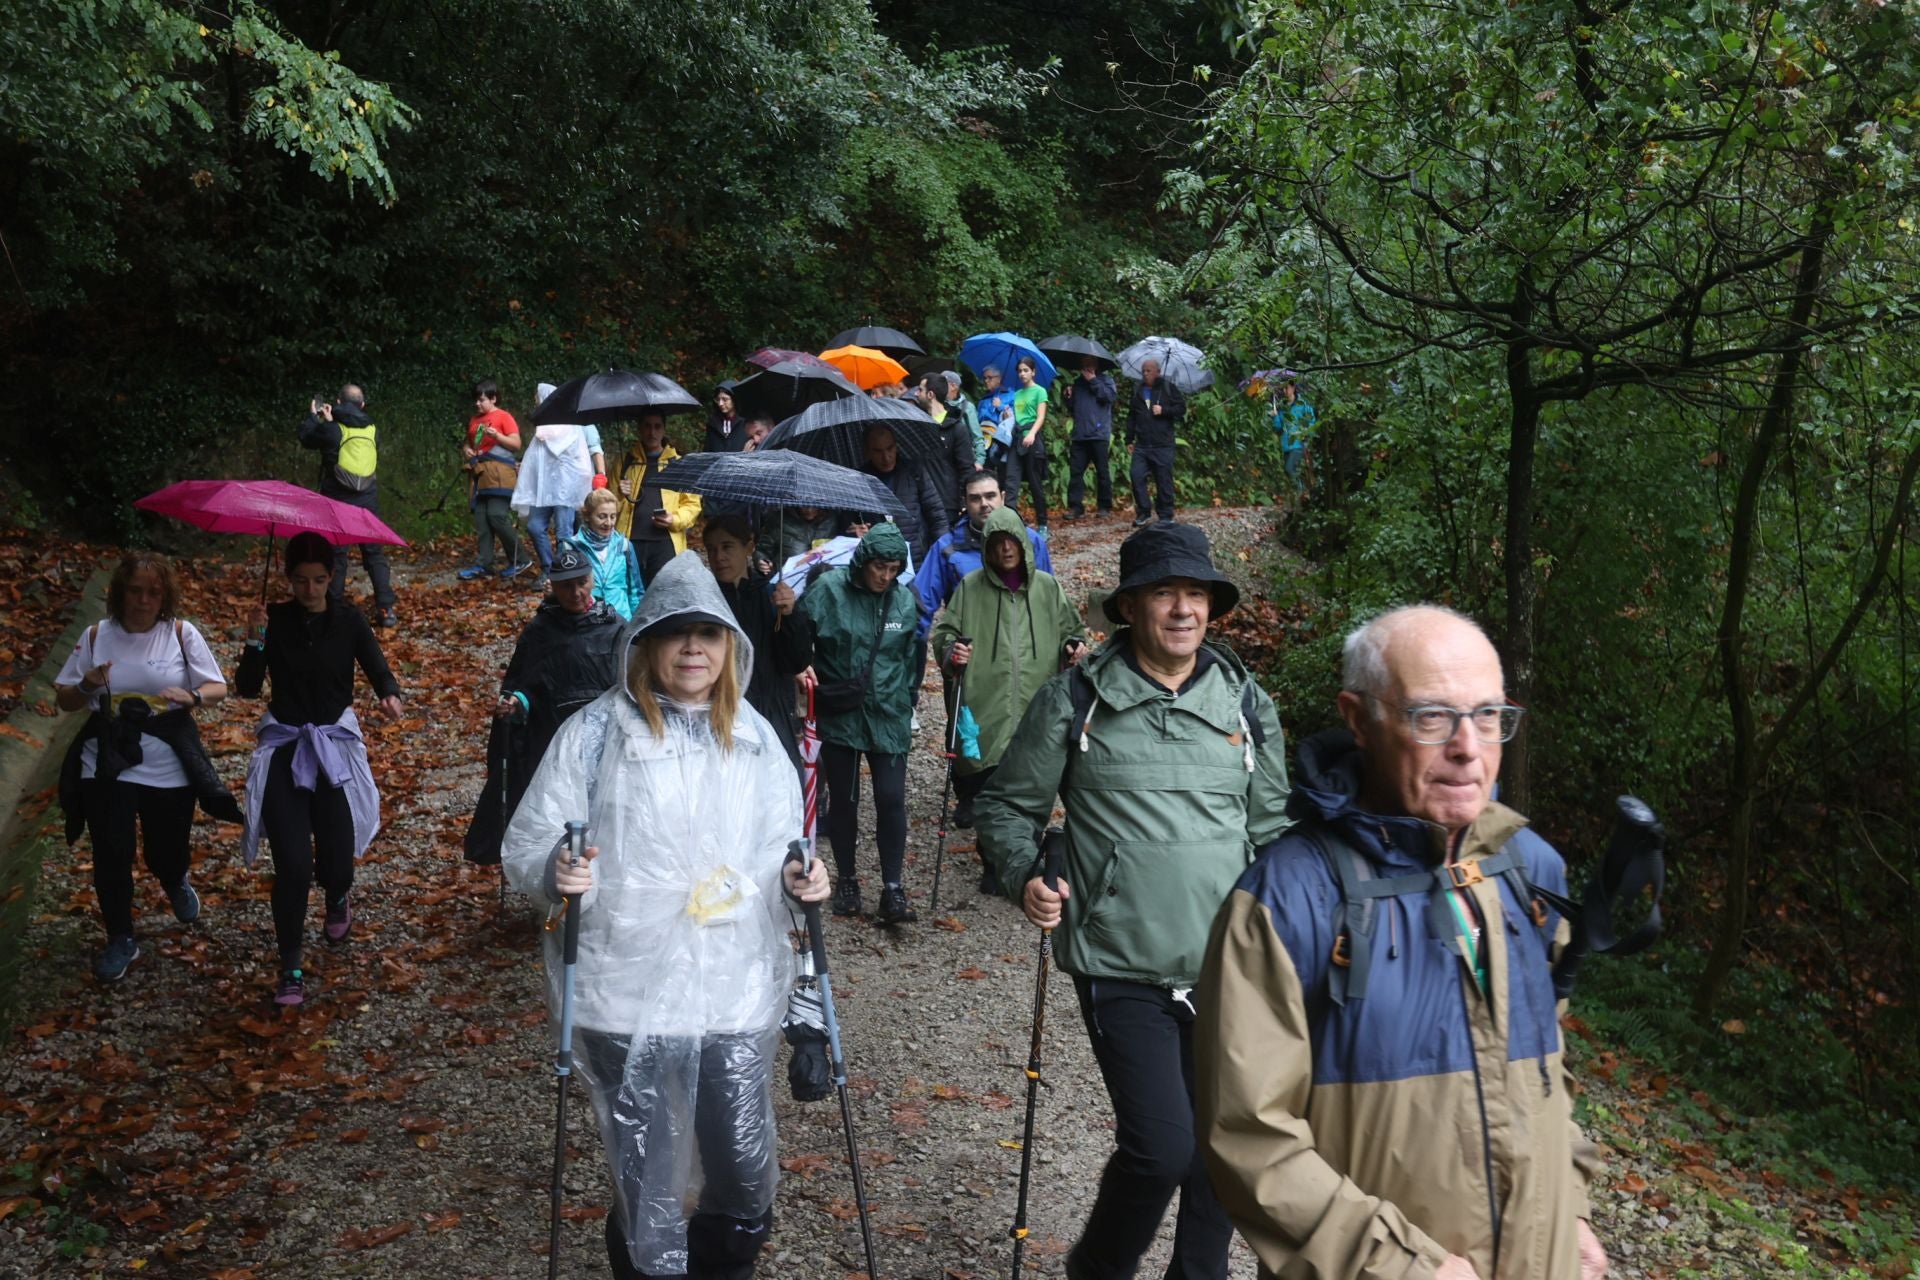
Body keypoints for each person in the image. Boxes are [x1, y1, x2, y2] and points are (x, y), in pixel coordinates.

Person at [1195, 605, 1606, 1280]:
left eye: (1488, 715)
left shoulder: (1528, 870)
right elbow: (1248, 1137)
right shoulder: (1285, 901)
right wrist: (1399, 1265)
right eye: (1432, 716)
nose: (1469, 747)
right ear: (1359, 719)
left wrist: (1573, 1211)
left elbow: (1541, 1073)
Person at [503, 551, 829, 1280]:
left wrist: (800, 877)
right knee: (646, 1183)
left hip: (731, 990)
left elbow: (784, 847)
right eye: (676, 633)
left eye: (707, 635)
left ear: (728, 648)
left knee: (744, 1175)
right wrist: (557, 873)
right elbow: (528, 843)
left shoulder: (753, 737)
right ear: (646, 643)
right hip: (622, 992)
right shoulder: (594, 735)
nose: (691, 649)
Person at [977, 521, 1291, 1280]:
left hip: (1230, 968)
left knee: (1225, 1147)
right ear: (1128, 608)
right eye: (1163, 593)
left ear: (1212, 607)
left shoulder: (1247, 704)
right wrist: (1026, 874)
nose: (1182, 609)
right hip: (1120, 959)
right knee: (1161, 1146)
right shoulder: (1078, 699)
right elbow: (1007, 807)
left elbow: (1275, 831)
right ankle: (1099, 1268)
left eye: (1194, 594)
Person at [237, 532, 404, 1007]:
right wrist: (255, 639)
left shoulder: (348, 619)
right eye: (299, 581)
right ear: (288, 579)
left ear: (331, 578)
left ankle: (337, 895)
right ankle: (290, 964)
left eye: (318, 581)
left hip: (332, 748)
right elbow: (248, 688)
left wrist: (388, 693)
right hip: (286, 748)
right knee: (292, 864)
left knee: (335, 855)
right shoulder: (275, 620)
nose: (309, 590)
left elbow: (376, 667)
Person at [54, 554, 239, 982]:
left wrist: (194, 698)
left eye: (153, 592)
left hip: (168, 760)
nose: (144, 599)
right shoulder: (97, 635)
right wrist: (87, 685)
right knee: (111, 850)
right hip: (106, 759)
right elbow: (64, 699)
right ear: (120, 593)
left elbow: (217, 687)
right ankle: (121, 936)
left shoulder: (179, 633)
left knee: (166, 848)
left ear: (165, 596)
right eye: (135, 590)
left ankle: (173, 878)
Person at [930, 506, 1084, 891]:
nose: (1005, 550)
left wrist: (1072, 648)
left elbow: (1072, 630)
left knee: (1033, 781)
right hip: (987, 701)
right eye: (996, 544)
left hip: (1037, 702)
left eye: (1011, 542)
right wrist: (952, 653)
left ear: (1023, 545)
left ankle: (1024, 861)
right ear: (987, 549)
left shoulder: (1048, 588)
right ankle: (993, 864)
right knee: (988, 784)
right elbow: (945, 634)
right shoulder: (970, 587)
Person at [464, 544, 626, 866]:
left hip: (603, 744)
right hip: (552, 745)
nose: (576, 592)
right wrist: (516, 705)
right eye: (567, 585)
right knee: (558, 815)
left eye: (581, 582)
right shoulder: (540, 632)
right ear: (553, 586)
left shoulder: (615, 627)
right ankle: (552, 889)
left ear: (592, 579)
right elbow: (524, 686)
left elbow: (630, 688)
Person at [798, 523, 920, 924]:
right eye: (879, 567)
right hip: (842, 715)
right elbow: (800, 636)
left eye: (893, 568)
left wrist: (907, 699)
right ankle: (848, 880)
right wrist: (803, 666)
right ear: (863, 562)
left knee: (890, 798)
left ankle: (893, 887)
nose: (885, 576)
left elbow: (911, 655)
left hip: (889, 714)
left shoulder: (903, 601)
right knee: (845, 802)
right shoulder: (829, 591)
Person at [704, 514, 815, 770]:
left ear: (749, 547)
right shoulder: (705, 599)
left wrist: (789, 617)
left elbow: (797, 660)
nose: (718, 556)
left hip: (772, 711)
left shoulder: (771, 596)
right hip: (722, 712)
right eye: (712, 549)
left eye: (727, 547)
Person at [915, 471, 1054, 653]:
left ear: (1002, 497)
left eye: (990, 496)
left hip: (1025, 648)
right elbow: (920, 606)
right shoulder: (947, 549)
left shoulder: (1031, 541)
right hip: (970, 652)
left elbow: (1049, 600)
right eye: (975, 498)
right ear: (965, 502)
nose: (984, 504)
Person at [297, 384, 398, 625]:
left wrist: (314, 415)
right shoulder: (373, 430)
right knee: (374, 553)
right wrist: (333, 420)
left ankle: (334, 607)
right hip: (367, 498)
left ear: (339, 403)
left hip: (337, 498)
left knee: (337, 552)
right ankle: (386, 608)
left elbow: (307, 437)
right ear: (363, 405)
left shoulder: (332, 429)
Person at [513, 382, 604, 583]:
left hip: (566, 490)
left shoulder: (574, 423)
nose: (535, 401)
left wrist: (597, 476)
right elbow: (536, 459)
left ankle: (566, 572)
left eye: (537, 397)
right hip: (543, 490)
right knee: (535, 527)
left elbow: (586, 453)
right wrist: (527, 470)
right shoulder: (542, 428)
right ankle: (549, 567)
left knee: (564, 530)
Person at [612, 412, 702, 584]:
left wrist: (674, 519)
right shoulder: (625, 462)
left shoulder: (679, 464)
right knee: (631, 595)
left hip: (666, 542)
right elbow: (607, 505)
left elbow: (692, 505)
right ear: (639, 429)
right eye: (647, 426)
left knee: (665, 594)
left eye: (657, 426)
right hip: (629, 543)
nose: (652, 432)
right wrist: (619, 494)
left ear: (664, 429)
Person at [462, 378, 529, 580]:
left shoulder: (504, 417)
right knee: (481, 518)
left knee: (496, 516)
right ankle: (484, 564)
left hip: (501, 475)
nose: (477, 404)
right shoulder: (474, 420)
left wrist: (497, 436)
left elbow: (516, 444)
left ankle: (521, 559)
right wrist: (467, 451)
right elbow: (468, 443)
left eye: (482, 400)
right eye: (476, 400)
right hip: (481, 475)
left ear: (493, 398)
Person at [1126, 358, 1185, 527]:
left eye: (1149, 371)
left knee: (1163, 479)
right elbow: (1132, 416)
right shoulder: (1138, 390)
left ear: (1158, 372)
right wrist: (1129, 439)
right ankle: (1144, 512)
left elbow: (1181, 408)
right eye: (1143, 371)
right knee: (1136, 476)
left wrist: (1164, 410)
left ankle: (1166, 514)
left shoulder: (1167, 388)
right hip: (1142, 445)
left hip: (1163, 444)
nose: (1145, 374)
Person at [572, 488, 645, 620]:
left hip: (622, 621)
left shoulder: (624, 546)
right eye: (602, 516)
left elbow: (635, 590)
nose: (609, 523)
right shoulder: (573, 546)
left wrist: (638, 624)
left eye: (613, 516)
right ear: (587, 516)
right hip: (587, 622)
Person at [1063, 356, 1117, 520]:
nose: (1087, 365)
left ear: (1097, 364)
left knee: (1102, 472)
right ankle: (1075, 507)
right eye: (1084, 362)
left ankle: (1104, 506)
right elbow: (1073, 408)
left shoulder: (1106, 380)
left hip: (1099, 434)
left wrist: (1093, 380)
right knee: (1076, 472)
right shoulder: (1078, 383)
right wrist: (1068, 396)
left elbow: (1109, 398)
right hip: (1080, 434)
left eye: (1090, 362)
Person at [921, 374, 981, 524]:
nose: (916, 393)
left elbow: (967, 468)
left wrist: (964, 502)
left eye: (920, 390)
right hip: (921, 501)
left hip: (947, 504)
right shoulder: (919, 426)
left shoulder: (956, 428)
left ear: (930, 395)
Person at [1007, 356, 1052, 527]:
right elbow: (1016, 416)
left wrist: (1032, 433)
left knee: (1035, 484)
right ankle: (1009, 522)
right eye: (1019, 370)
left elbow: (1041, 416)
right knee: (1011, 481)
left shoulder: (1040, 391)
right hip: (1017, 439)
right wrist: (1007, 414)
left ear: (1033, 372)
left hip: (1032, 439)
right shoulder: (1016, 394)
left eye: (1026, 370)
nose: (1022, 373)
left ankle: (1042, 524)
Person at [758, 505, 842, 570]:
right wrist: (761, 560)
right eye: (804, 505)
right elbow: (762, 550)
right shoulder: (779, 519)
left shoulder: (831, 521)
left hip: (819, 577)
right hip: (784, 578)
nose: (809, 510)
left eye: (814, 506)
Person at [977, 366, 1018, 488]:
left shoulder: (1011, 395)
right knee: (984, 472)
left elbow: (1015, 416)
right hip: (984, 439)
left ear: (999, 378)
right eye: (984, 378)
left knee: (1002, 473)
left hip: (1001, 440)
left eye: (990, 378)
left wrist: (1001, 406)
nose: (986, 381)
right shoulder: (984, 399)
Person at [1273, 375, 1317, 486]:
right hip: (1286, 445)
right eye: (1282, 388)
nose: (1284, 391)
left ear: (1293, 388)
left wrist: (1306, 435)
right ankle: (1300, 495)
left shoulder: (1303, 405)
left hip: (1298, 445)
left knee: (1289, 469)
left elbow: (1311, 421)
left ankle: (1300, 492)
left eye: (1286, 388)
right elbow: (1278, 428)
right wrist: (1275, 416)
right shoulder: (1282, 407)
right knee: (1291, 472)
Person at [941, 371, 983, 466]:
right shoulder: (938, 405)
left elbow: (977, 437)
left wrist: (979, 461)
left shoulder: (967, 407)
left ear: (953, 386)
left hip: (963, 458)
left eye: (942, 384)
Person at [703, 381, 746, 453]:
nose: (720, 403)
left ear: (734, 399)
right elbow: (707, 451)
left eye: (725, 399)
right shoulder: (713, 424)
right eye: (718, 399)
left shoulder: (745, 424)